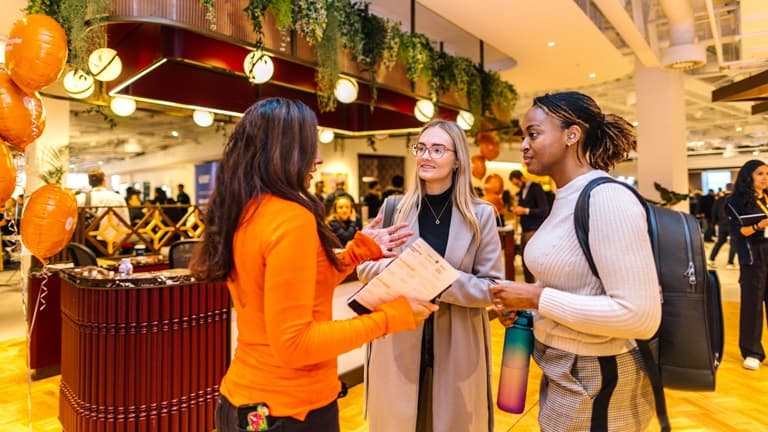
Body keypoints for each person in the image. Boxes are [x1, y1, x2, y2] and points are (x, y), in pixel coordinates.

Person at [189, 97, 437, 432]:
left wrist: (355, 254)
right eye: (311, 144)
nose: (318, 158)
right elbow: (296, 343)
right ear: (284, 151)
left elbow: (290, 288)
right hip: (290, 412)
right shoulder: (292, 218)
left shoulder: (246, 209)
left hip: (245, 407)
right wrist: (390, 318)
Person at [490, 91, 661, 431]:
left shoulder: (607, 198)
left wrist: (536, 298)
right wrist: (530, 310)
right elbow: (576, 284)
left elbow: (640, 317)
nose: (523, 145)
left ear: (572, 135)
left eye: (533, 134)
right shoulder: (566, 197)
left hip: (599, 374)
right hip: (564, 369)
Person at [357, 119, 503, 432]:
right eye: (421, 148)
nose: (426, 156)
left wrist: (435, 278)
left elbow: (492, 287)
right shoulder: (394, 208)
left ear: (457, 160)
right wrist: (403, 270)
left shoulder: (480, 215)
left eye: (437, 150)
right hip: (397, 339)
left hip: (458, 343)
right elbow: (364, 267)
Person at [725, 159, 768, 371]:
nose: (765, 178)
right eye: (760, 173)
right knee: (753, 304)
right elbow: (738, 232)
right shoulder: (736, 202)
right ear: (748, 176)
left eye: (767, 173)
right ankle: (752, 352)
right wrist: (759, 225)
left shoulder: (767, 197)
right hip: (753, 256)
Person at [76, 168, 131, 255]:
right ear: (104, 180)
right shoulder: (117, 198)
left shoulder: (80, 198)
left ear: (89, 182)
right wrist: (119, 241)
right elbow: (125, 224)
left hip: (85, 242)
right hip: (110, 242)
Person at [508, 169, 550, 283]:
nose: (517, 186)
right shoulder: (522, 190)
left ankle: (538, 286)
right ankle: (529, 285)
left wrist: (525, 211)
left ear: (522, 178)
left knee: (532, 262)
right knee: (525, 262)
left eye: (517, 183)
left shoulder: (536, 188)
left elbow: (544, 210)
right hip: (525, 229)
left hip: (534, 230)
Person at [708, 182, 736, 268]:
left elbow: (714, 211)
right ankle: (730, 263)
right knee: (733, 243)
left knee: (720, 241)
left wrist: (715, 223)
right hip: (733, 224)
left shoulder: (719, 200)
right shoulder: (736, 199)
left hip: (722, 224)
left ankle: (711, 259)